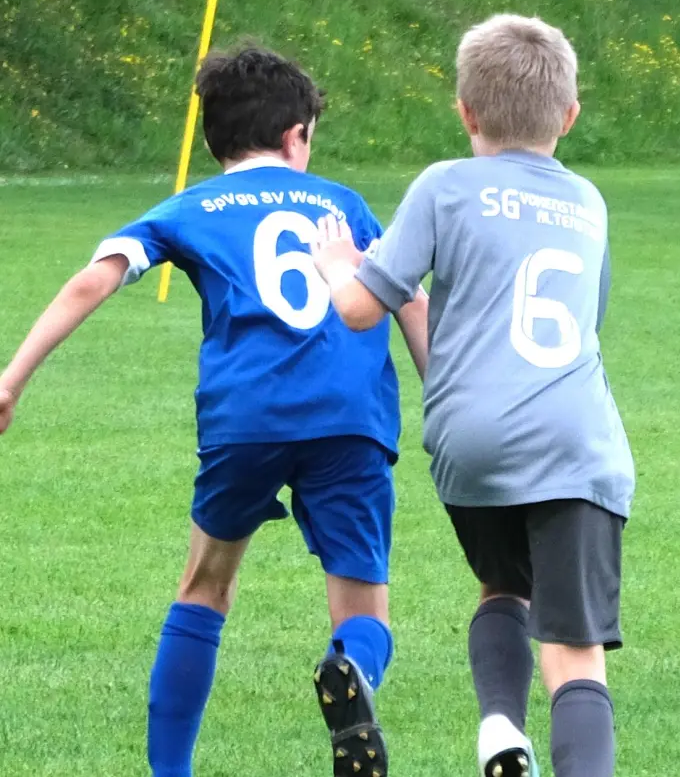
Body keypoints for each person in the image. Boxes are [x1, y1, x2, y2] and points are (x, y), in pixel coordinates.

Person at [0, 44, 428, 776]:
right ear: (297, 135)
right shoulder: (341, 205)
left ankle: (171, 772)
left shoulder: (188, 207)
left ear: (214, 138)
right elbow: (407, 295)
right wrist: (444, 393)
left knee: (206, 584)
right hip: (349, 417)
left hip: (246, 417)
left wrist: (12, 378)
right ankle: (350, 667)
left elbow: (90, 282)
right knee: (364, 607)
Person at [313, 13, 631, 777]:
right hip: (573, 439)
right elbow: (590, 323)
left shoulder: (444, 185)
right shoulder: (588, 202)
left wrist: (334, 264)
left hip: (470, 443)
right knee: (575, 653)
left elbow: (361, 306)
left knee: (501, 587)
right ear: (570, 115)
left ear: (465, 112)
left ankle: (498, 726)